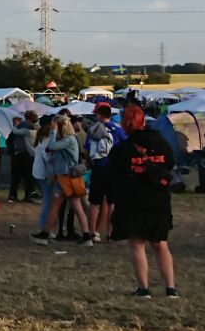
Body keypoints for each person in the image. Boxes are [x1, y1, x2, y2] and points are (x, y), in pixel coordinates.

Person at [108, 105, 178, 298]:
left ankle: (143, 288)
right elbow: (170, 164)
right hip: (159, 200)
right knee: (160, 244)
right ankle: (171, 288)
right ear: (144, 121)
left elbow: (114, 174)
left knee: (137, 244)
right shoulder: (161, 143)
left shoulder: (122, 149)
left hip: (133, 201)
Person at [47, 114, 94, 246]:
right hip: (65, 177)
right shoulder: (68, 139)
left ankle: (45, 233)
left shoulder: (68, 140)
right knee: (75, 207)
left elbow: (51, 146)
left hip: (66, 177)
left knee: (58, 207)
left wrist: (53, 131)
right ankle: (86, 235)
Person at [86, 103, 127, 242]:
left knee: (94, 202)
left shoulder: (94, 129)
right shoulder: (118, 129)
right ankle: (110, 233)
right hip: (114, 168)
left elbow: (87, 148)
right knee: (112, 202)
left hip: (99, 166)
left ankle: (92, 233)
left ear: (98, 115)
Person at [8, 111, 38, 202]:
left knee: (16, 176)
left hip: (20, 154)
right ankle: (28, 196)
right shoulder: (36, 128)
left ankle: (13, 196)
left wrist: (16, 125)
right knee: (28, 177)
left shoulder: (24, 128)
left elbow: (14, 132)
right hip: (30, 155)